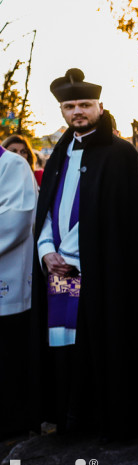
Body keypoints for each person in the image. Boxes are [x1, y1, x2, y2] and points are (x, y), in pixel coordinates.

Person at [28, 68, 138, 437]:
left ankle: (108, 422)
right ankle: (71, 419)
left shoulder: (122, 156)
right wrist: (45, 251)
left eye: (85, 104)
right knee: (66, 344)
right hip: (60, 273)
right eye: (69, 106)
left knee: (102, 343)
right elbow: (47, 210)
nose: (77, 111)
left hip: (104, 273)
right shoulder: (58, 155)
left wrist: (73, 254)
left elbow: (137, 218)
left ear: (100, 106)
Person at [0, 137, 37, 436]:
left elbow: (15, 221)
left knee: (8, 359)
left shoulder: (12, 165)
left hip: (7, 283)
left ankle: (13, 425)